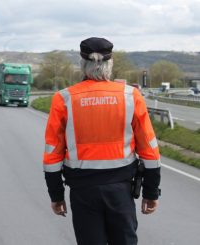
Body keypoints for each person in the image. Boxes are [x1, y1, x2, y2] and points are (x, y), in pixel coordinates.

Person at [43, 37, 161, 244]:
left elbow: (52, 154)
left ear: (82, 64)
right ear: (109, 64)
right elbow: (149, 150)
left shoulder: (63, 99)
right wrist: (151, 193)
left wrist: (56, 195)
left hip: (83, 192)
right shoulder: (130, 96)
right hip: (121, 191)